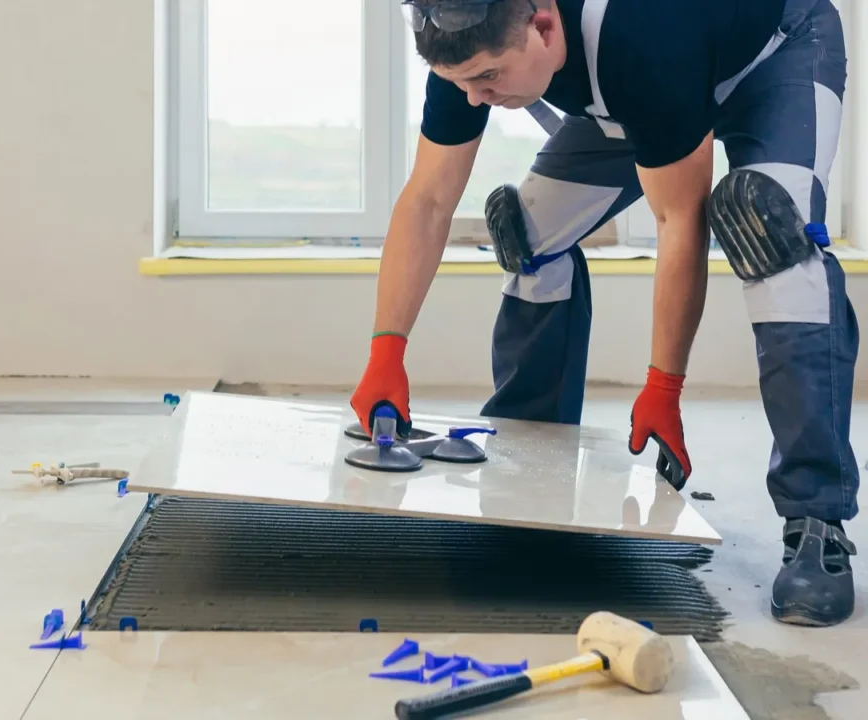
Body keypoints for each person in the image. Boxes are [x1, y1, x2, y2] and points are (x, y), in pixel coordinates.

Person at [350, 0, 859, 627]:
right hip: (644, 84)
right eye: (463, 84)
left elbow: (680, 222)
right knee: (527, 235)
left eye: (488, 80)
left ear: (542, 25)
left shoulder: (641, 36)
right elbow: (427, 200)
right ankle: (529, 463)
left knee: (770, 236)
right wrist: (386, 352)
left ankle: (816, 523)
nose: (476, 98)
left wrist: (663, 387)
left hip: (775, 53)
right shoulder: (468, 38)